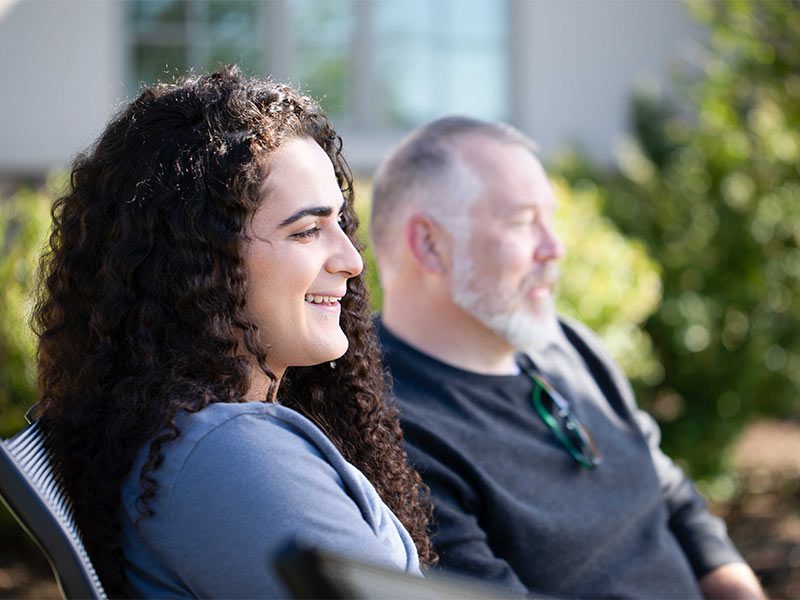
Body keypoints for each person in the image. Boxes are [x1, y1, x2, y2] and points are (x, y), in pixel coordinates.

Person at [32, 67, 435, 598]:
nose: (351, 260)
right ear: (197, 262)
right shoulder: (227, 455)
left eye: (340, 223)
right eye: (307, 230)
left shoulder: (184, 439)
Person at [369, 116, 765, 599]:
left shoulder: (569, 346)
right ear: (430, 244)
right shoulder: (386, 426)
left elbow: (671, 494)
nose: (554, 248)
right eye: (522, 221)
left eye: (550, 219)